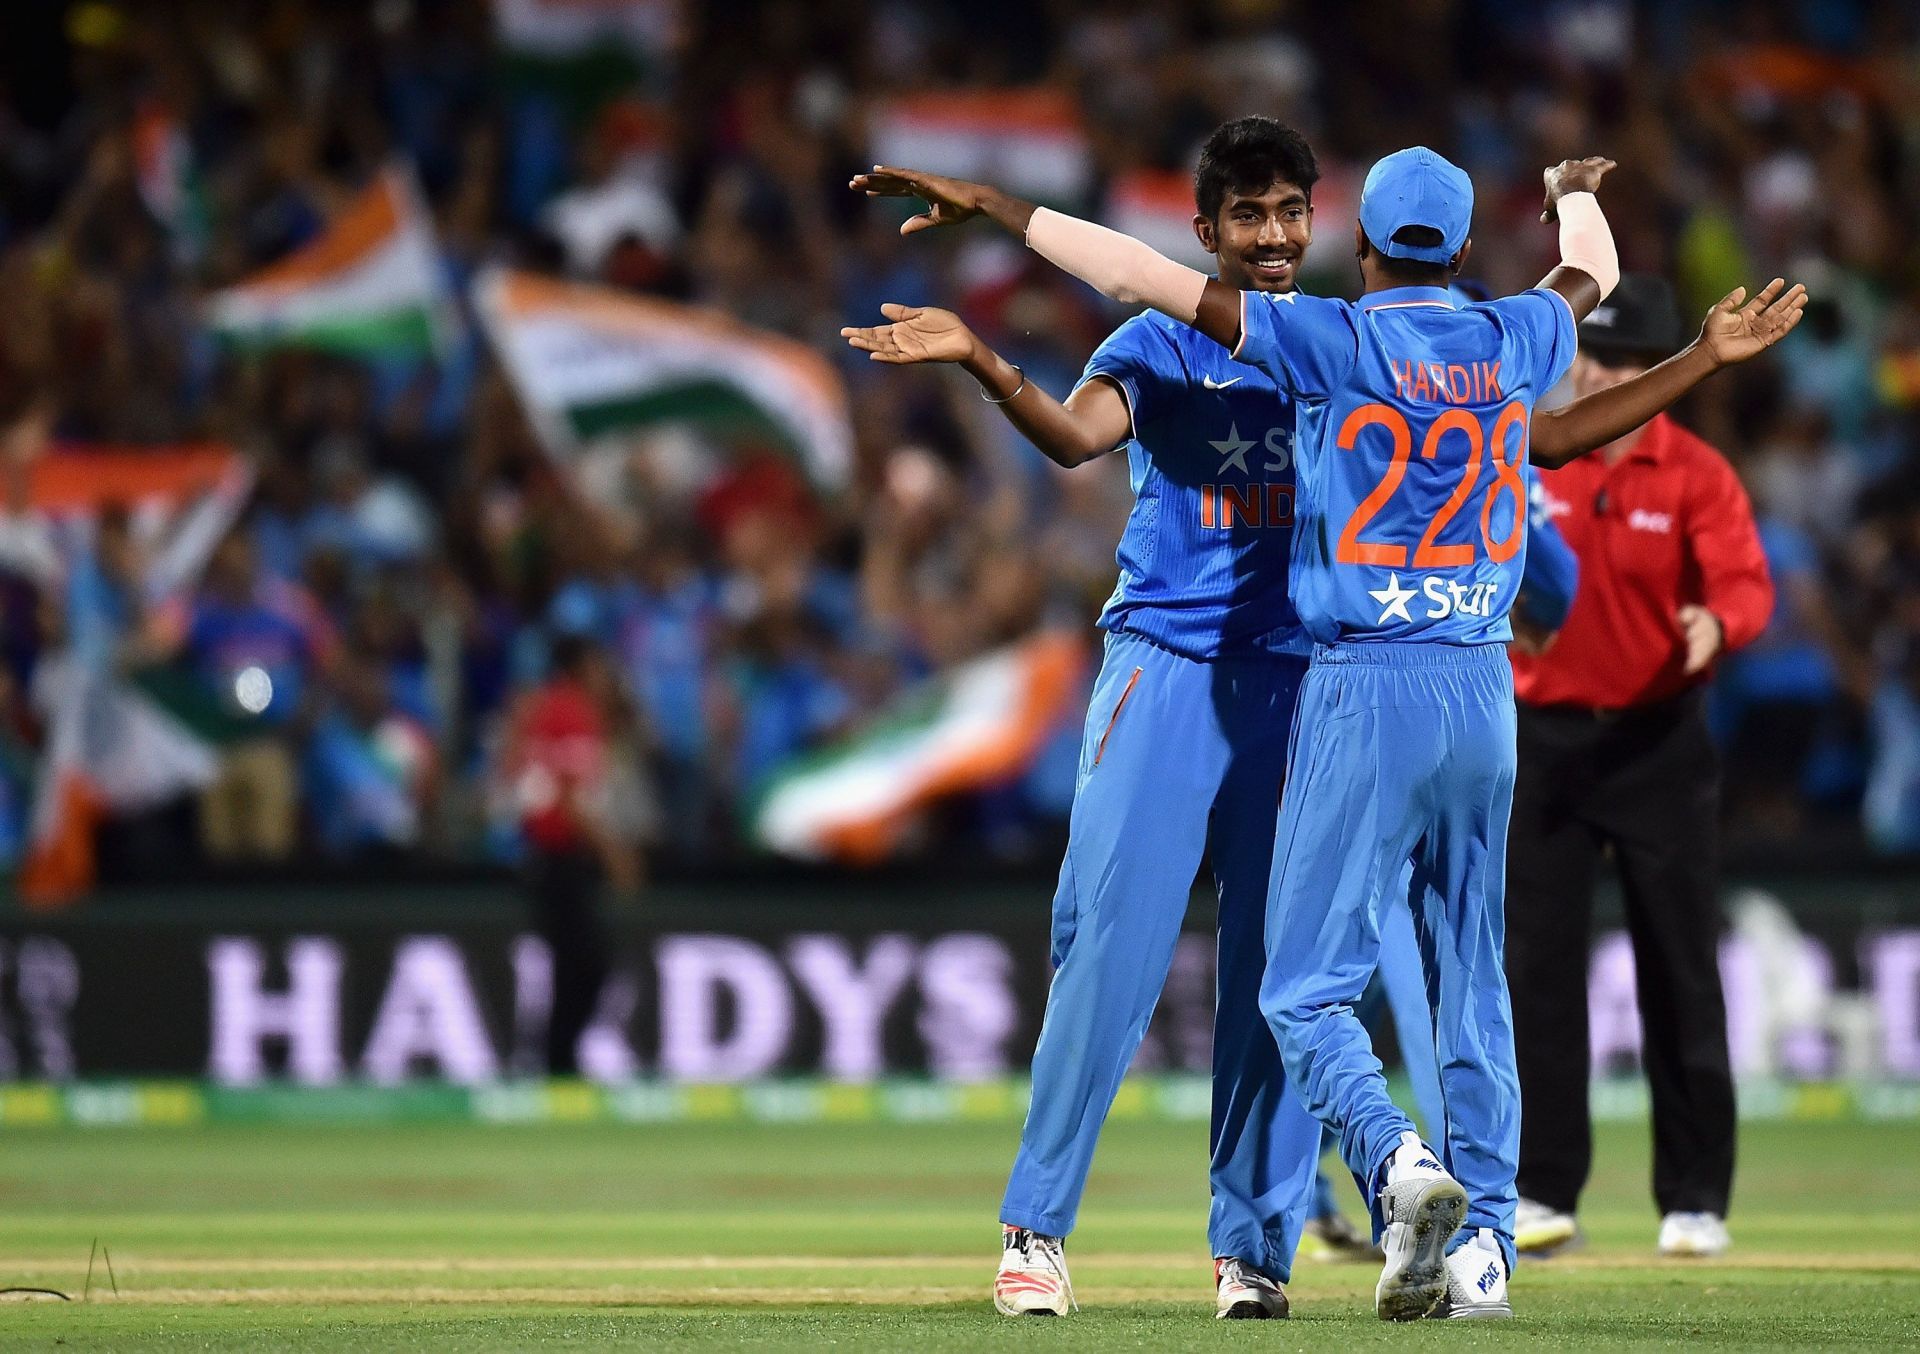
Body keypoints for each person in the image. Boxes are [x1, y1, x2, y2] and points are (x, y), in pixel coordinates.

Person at [848, 145, 1803, 1320]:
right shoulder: (1421, 337)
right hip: (1215, 667)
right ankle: (1054, 1230)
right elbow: (1571, 316)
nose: (1269, 233)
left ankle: (1267, 1242)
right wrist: (1598, 223)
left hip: (1323, 681)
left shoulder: (1332, 339)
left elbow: (1133, 265)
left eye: (1288, 211)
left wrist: (996, 207)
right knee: (1143, 959)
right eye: (1245, 214)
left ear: (1340, 233)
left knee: (1282, 982)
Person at [1505, 276, 1776, 1261]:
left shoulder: (1696, 473)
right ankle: (1540, 1188)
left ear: (1664, 373)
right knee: (1535, 974)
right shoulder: (1536, 459)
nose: (1605, 376)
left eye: (1627, 364)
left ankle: (1695, 1197)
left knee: (1680, 967)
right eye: (1596, 357)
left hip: (1659, 740)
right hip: (1542, 744)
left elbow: (1744, 581)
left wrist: (1721, 620)